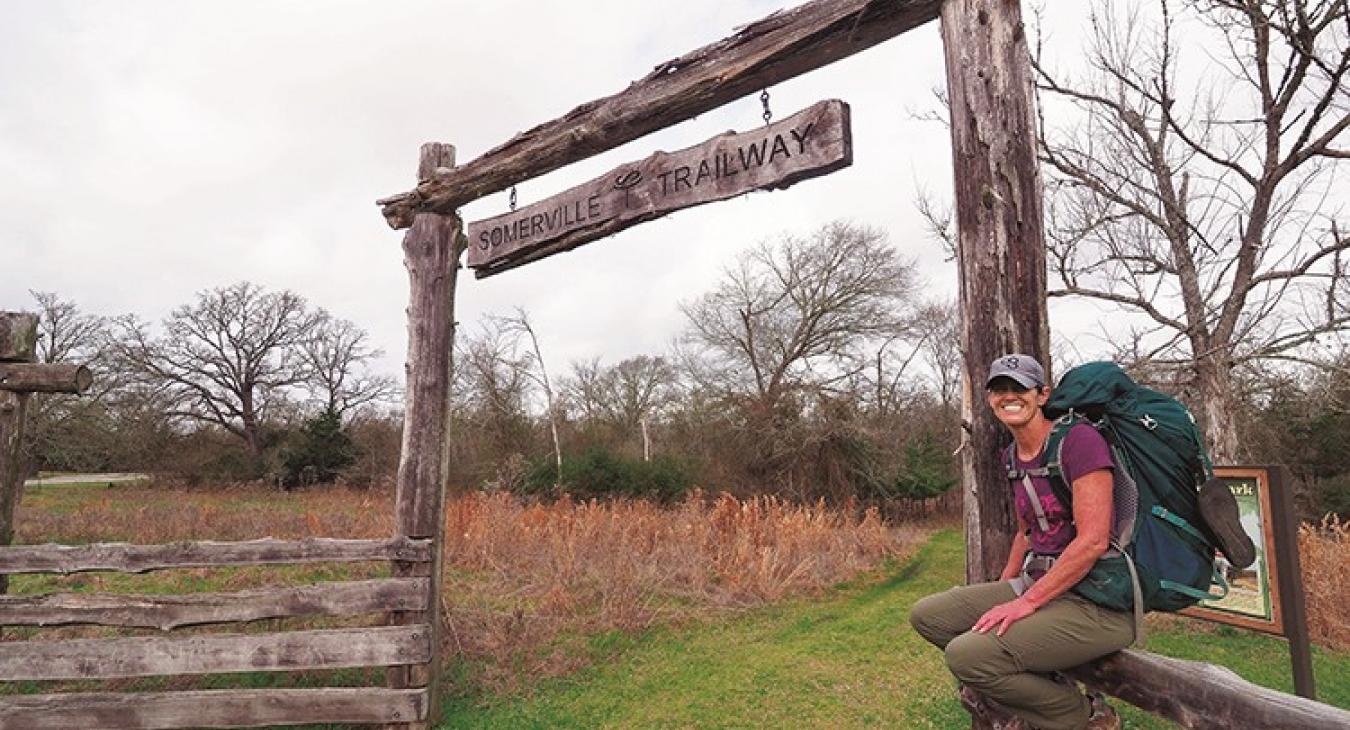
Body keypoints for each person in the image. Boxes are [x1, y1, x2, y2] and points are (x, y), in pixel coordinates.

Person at [909, 354, 1132, 730]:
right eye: (1000, 389)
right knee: (930, 616)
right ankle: (1046, 694)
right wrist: (1005, 589)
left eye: (1019, 388)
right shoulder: (1013, 455)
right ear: (989, 398)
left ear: (1042, 395)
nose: (1009, 396)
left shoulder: (1079, 442)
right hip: (1042, 585)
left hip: (1099, 601)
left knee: (968, 656)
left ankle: (1085, 717)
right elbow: (1026, 532)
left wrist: (1025, 603)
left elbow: (1093, 541)